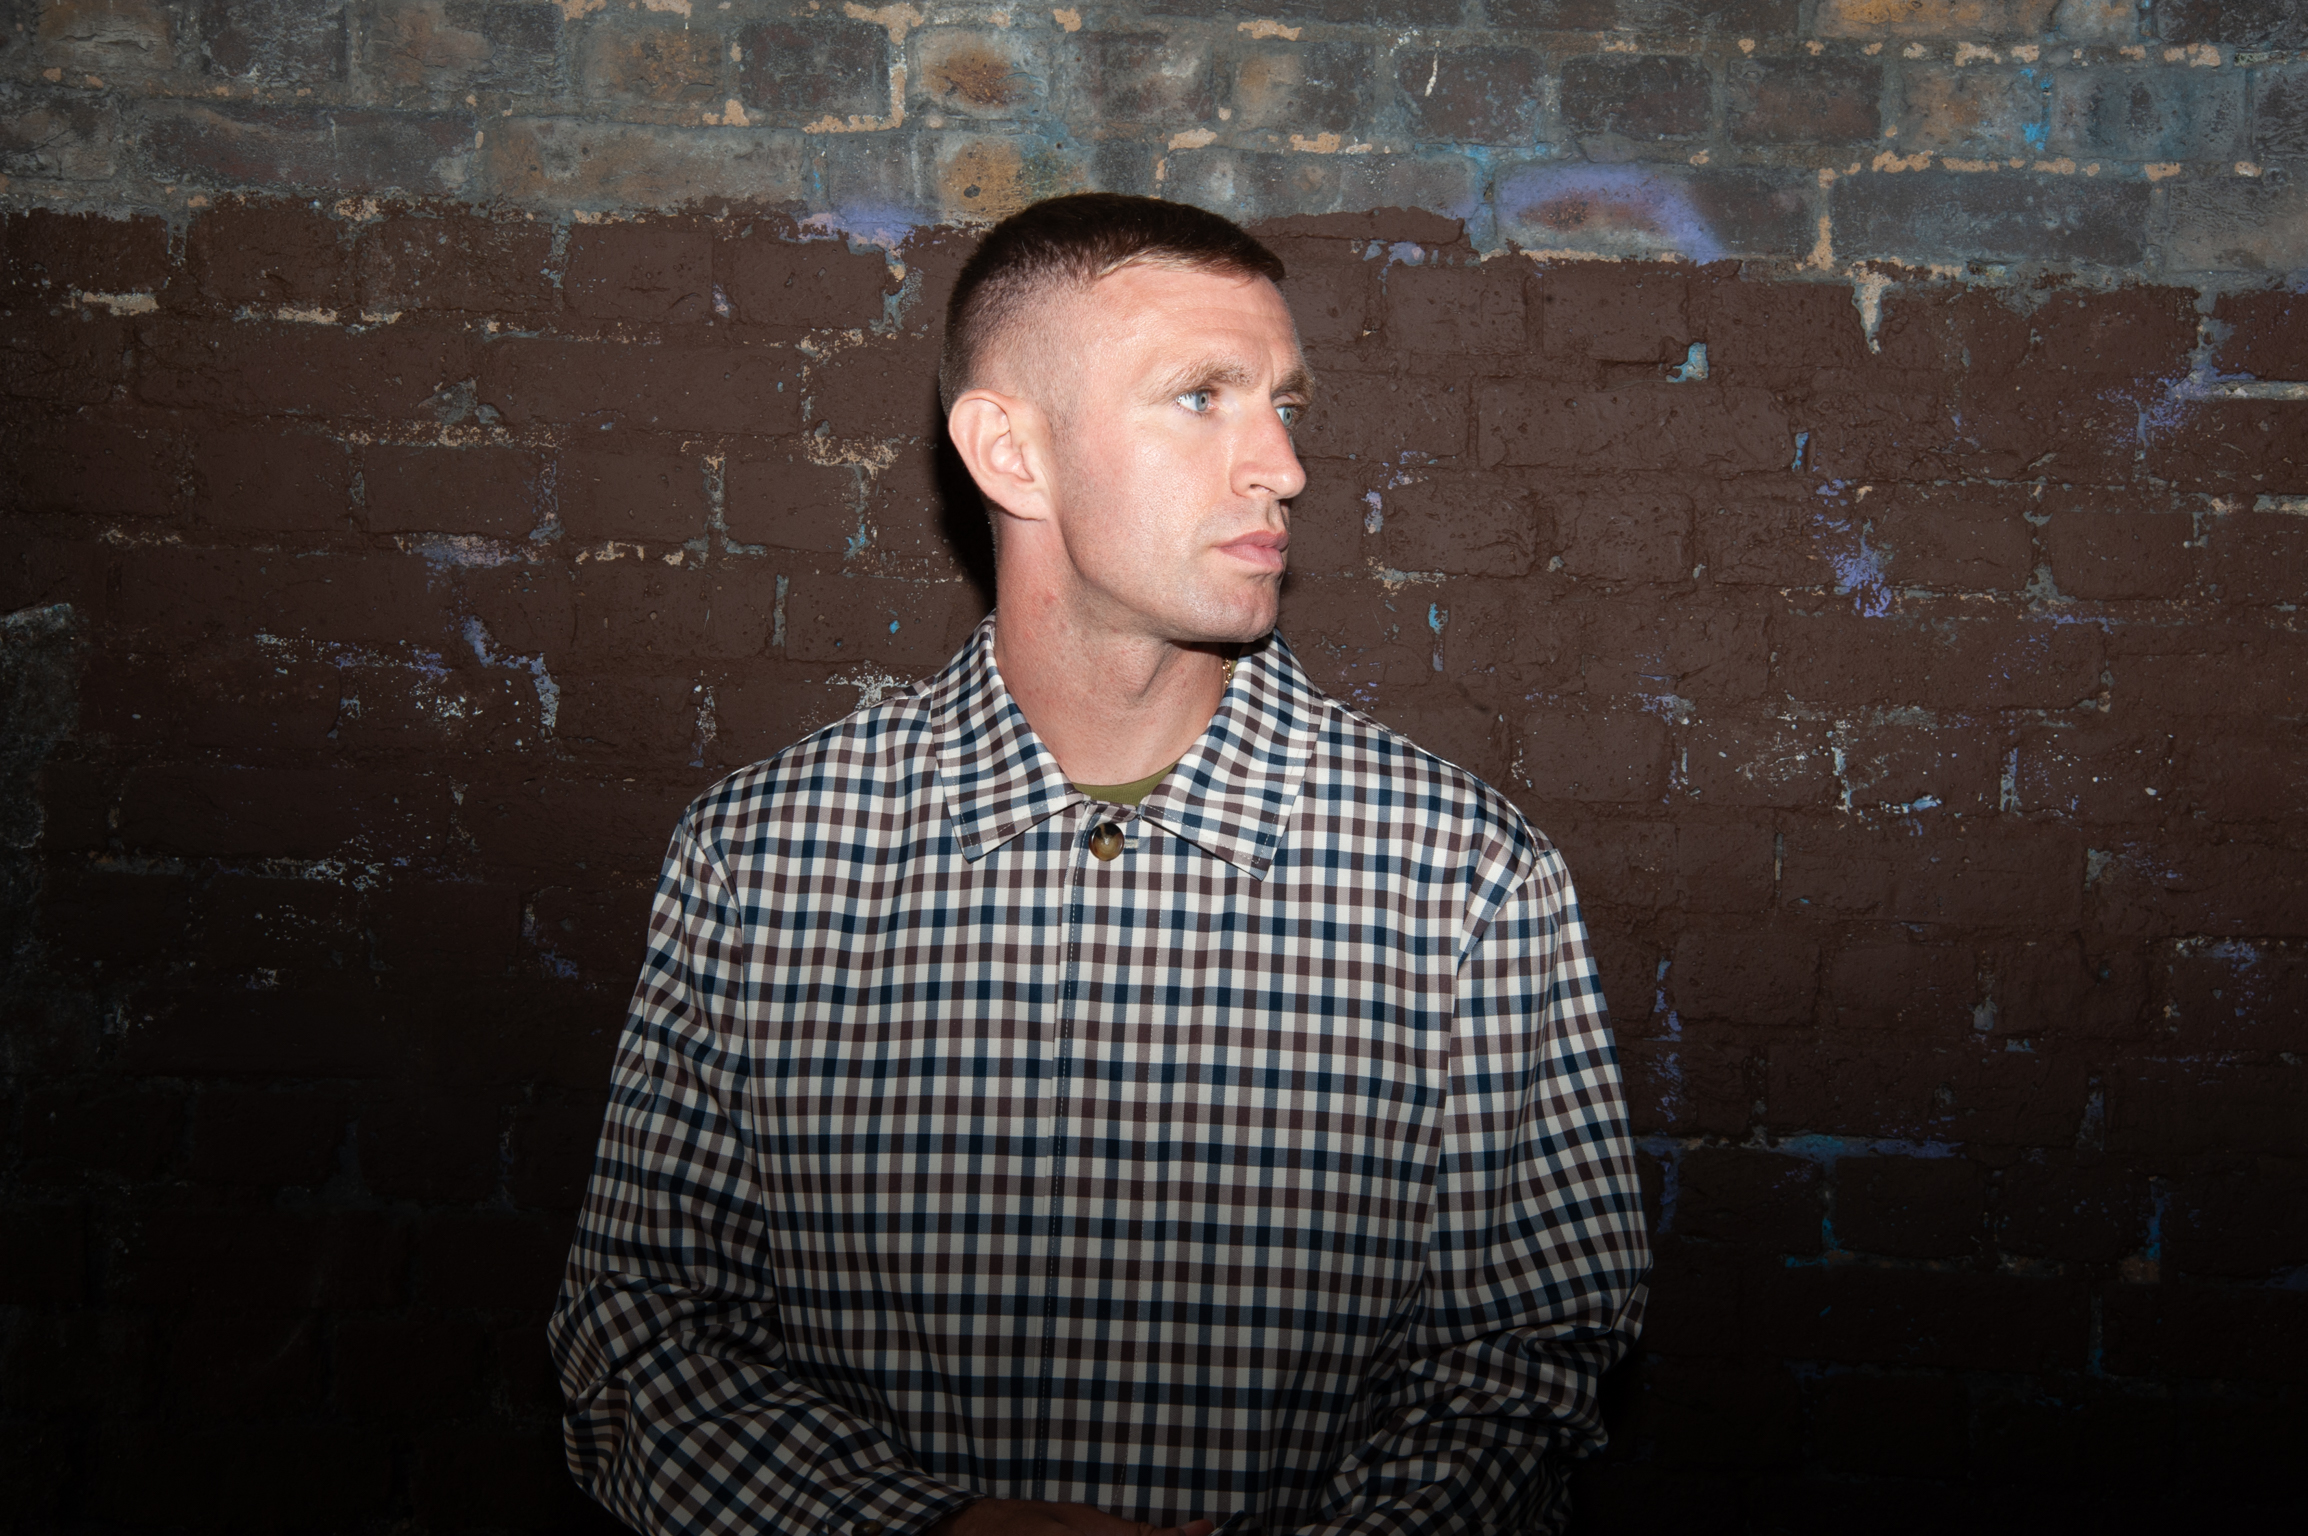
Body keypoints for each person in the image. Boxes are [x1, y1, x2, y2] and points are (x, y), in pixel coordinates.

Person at [549, 193, 1649, 1536]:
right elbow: (638, 1336)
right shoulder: (766, 859)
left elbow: (1529, 1364)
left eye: (1283, 403)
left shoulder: (1461, 878)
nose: (1281, 465)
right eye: (1202, 396)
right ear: (1012, 450)